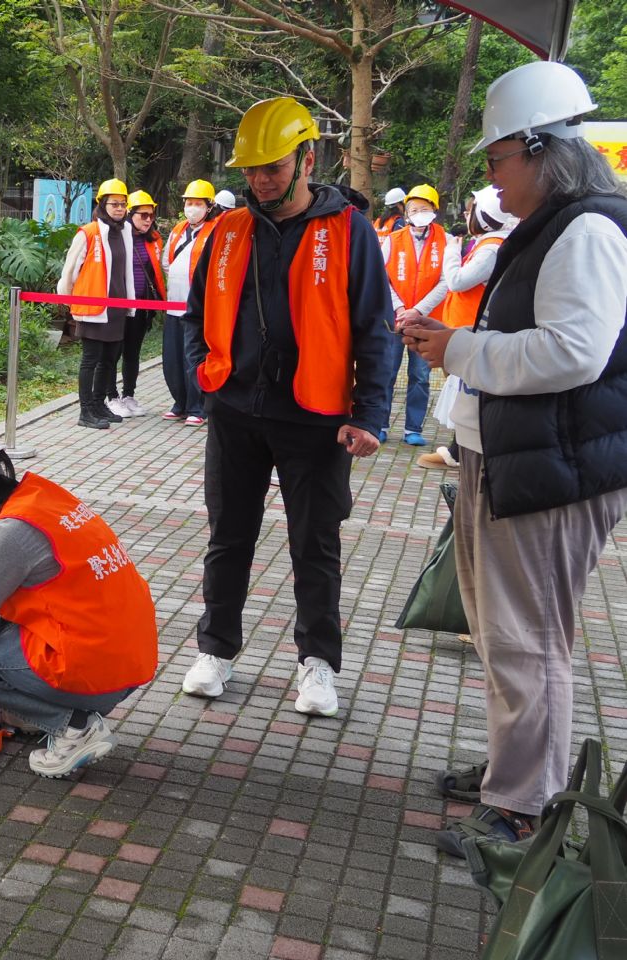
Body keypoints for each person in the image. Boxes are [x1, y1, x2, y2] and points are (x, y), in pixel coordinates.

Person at [396, 62, 627, 857]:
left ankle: (523, 809)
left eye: (497, 158)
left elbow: (573, 353)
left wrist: (459, 349)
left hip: (549, 473)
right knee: (506, 636)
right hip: (519, 460)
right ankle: (516, 769)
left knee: (527, 640)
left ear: (540, 150)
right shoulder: (555, 226)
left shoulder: (586, 231)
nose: (491, 176)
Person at [180, 96, 393, 717]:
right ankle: (215, 650)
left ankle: (317, 663)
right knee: (228, 538)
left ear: (306, 160)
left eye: (272, 167)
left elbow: (375, 328)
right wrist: (204, 379)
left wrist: (369, 414)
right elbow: (195, 315)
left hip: (317, 418)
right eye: (251, 169)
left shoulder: (348, 231)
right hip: (236, 413)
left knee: (315, 546)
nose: (260, 180)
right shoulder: (227, 231)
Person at [0, 429, 158, 778]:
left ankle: (74, 727)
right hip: (132, 661)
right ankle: (36, 711)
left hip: (98, 672)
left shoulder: (10, 533)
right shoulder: (47, 498)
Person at [418, 185, 517, 471]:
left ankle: (459, 452)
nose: (465, 215)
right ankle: (457, 450)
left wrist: (451, 252)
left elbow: (458, 281)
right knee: (464, 391)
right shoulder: (488, 243)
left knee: (469, 391)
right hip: (465, 329)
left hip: (473, 331)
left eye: (471, 210)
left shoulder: (492, 248)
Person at [58, 179, 132, 430]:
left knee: (109, 360)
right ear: (102, 205)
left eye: (123, 204)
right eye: (114, 204)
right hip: (93, 307)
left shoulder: (124, 232)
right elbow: (70, 270)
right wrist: (69, 299)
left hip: (117, 307)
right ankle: (85, 410)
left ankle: (99, 405)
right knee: (91, 359)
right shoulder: (89, 232)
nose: (119, 208)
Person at [381, 184, 451, 446]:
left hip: (426, 321)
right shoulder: (393, 239)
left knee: (420, 376)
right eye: (413, 209)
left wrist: (418, 310)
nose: (419, 213)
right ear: (406, 212)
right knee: (386, 372)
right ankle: (380, 424)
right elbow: (382, 277)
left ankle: (413, 428)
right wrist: (400, 308)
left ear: (434, 210)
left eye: (424, 208)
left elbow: (446, 280)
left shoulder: (446, 240)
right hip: (394, 320)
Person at [160, 179, 220, 427]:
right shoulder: (178, 229)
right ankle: (180, 403)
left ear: (209, 206)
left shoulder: (216, 230)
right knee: (172, 358)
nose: (192, 208)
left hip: (198, 309)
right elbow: (166, 262)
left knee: (193, 357)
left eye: (198, 203)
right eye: (189, 203)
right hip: (173, 305)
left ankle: (199, 406)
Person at [107, 190, 166, 418]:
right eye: (143, 215)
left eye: (151, 215)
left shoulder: (154, 239)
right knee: (114, 352)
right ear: (130, 214)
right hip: (118, 306)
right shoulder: (116, 236)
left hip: (142, 306)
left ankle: (128, 395)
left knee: (133, 352)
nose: (148, 220)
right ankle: (111, 396)